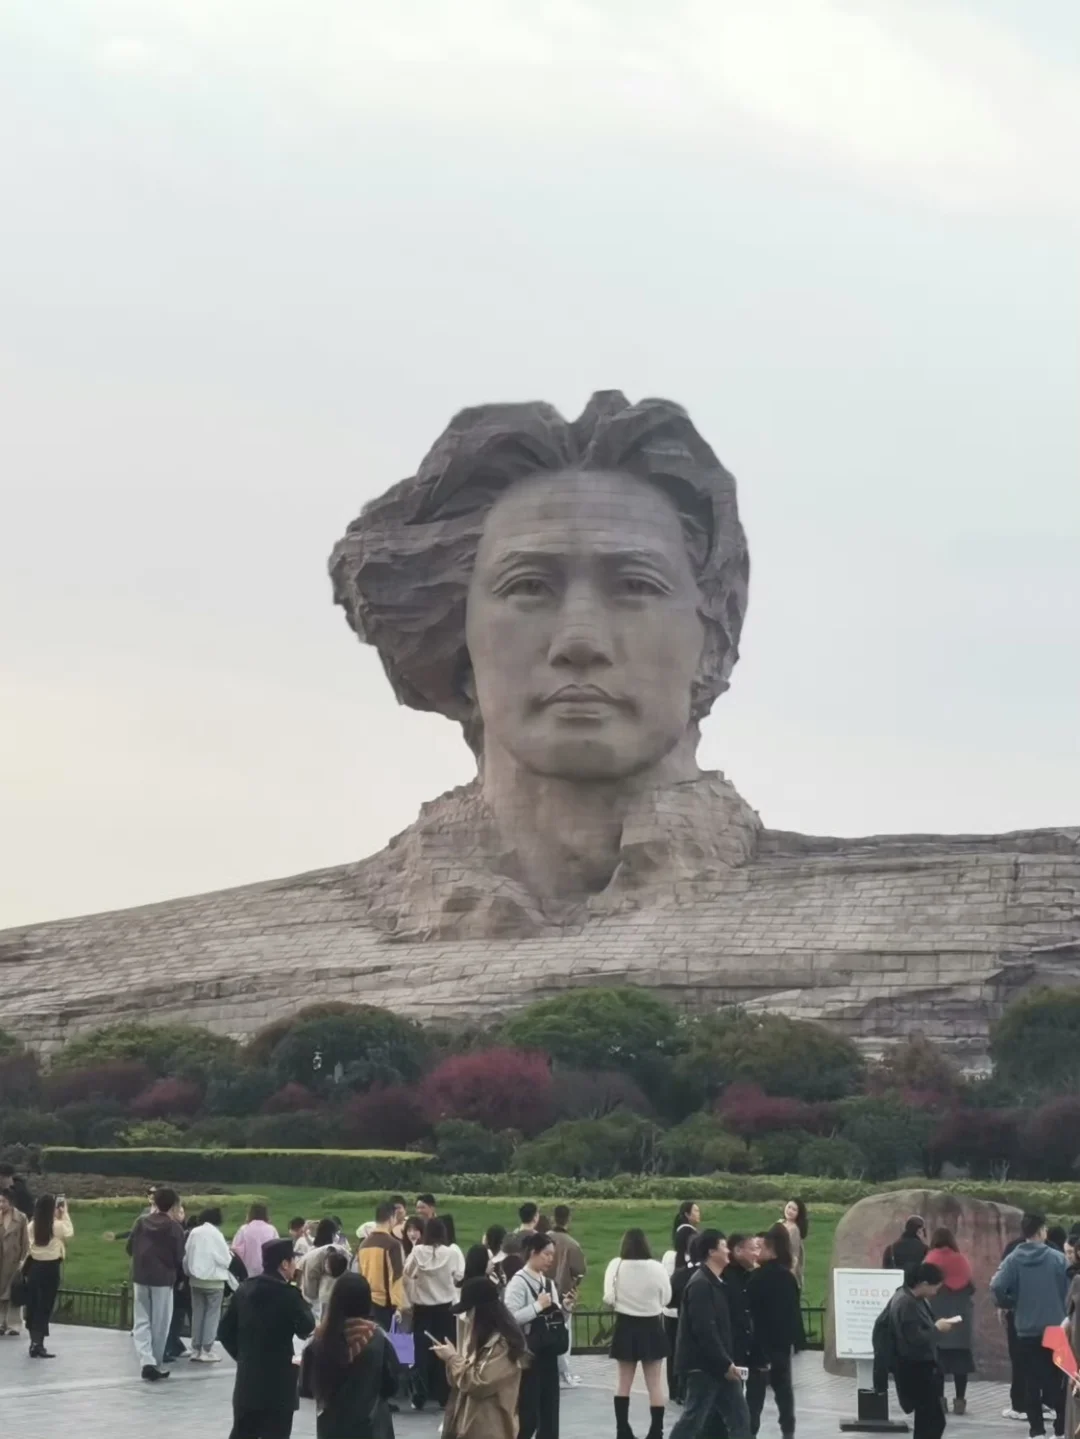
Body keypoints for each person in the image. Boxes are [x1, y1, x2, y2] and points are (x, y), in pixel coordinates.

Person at [219, 1237, 315, 1439]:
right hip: (279, 1384)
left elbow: (224, 1332)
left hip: (248, 1381)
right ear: (284, 1264)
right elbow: (307, 1328)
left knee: (242, 1433)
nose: (295, 1266)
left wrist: (242, 1356)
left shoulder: (244, 1289)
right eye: (293, 1261)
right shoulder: (289, 1294)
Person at [991, 1212, 1068, 1439]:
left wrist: (1009, 1302)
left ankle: (1036, 1431)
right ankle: (1060, 1430)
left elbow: (996, 1286)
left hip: (1025, 1329)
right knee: (1059, 1380)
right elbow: (1071, 1286)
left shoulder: (1013, 1260)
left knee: (1031, 1382)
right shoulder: (1057, 1258)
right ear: (1042, 1230)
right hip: (1056, 1328)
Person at [669, 1229, 752, 1439]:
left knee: (740, 1419)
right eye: (723, 1246)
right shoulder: (700, 1285)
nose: (728, 1251)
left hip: (719, 1366)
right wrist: (725, 1363)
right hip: (703, 1367)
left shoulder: (715, 1282)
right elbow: (704, 1329)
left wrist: (726, 1362)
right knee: (693, 1420)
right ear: (711, 1252)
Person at [434, 1275, 529, 1439]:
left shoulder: (503, 1345)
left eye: (469, 1311)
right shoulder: (479, 1339)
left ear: (481, 1311)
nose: (467, 1317)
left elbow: (478, 1383)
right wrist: (450, 1359)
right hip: (469, 1426)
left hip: (490, 1429)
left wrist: (452, 1358)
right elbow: (460, 1382)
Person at [308, 1272, 400, 1438]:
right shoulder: (377, 1337)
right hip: (371, 1427)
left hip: (331, 1427)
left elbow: (306, 1387)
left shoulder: (320, 1338)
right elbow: (392, 1385)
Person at [878, 1261, 957, 1439]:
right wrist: (937, 1329)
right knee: (932, 1420)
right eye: (935, 1287)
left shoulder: (913, 1298)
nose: (936, 1292)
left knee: (929, 1420)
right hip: (916, 1370)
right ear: (924, 1284)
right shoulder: (906, 1303)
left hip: (922, 1368)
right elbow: (914, 1338)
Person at [605, 1227, 672, 1439]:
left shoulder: (616, 1265)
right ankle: (656, 1431)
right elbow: (667, 1297)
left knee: (623, 1382)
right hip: (651, 1325)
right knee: (655, 1384)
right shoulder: (656, 1267)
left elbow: (608, 1296)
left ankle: (622, 1430)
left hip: (625, 1325)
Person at [505, 1231, 565, 1439]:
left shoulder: (548, 1283)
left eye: (552, 1255)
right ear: (533, 1252)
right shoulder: (518, 1282)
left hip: (549, 1351)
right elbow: (510, 1318)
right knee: (528, 1413)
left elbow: (555, 1317)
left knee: (550, 1412)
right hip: (529, 1354)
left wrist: (565, 1308)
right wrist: (537, 1306)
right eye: (546, 1254)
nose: (550, 1259)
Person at [746, 1223, 802, 1439]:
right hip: (782, 1344)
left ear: (771, 1250)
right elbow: (794, 1313)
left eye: (761, 1248)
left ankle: (750, 1431)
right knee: (784, 1391)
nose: (757, 1252)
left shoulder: (756, 1278)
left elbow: (749, 1311)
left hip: (760, 1344)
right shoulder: (788, 1278)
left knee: (755, 1395)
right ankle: (788, 1431)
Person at [403, 1216, 465, 1410]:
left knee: (420, 1351)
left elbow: (408, 1272)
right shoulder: (451, 1253)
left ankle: (419, 1394)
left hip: (422, 1308)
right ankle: (444, 1395)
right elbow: (459, 1276)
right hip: (445, 1308)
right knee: (444, 1350)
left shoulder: (417, 1251)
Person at [126, 1184, 185, 1380]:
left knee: (141, 1320)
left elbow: (129, 1247)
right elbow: (179, 1256)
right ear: (173, 1205)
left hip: (141, 1276)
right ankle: (155, 1363)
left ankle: (146, 1360)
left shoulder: (141, 1222)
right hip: (163, 1279)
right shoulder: (175, 1228)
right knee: (160, 1323)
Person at [925, 1226, 976, 1415]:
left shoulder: (931, 1259)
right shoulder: (961, 1260)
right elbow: (971, 1287)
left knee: (938, 1363)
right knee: (960, 1363)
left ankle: (940, 1401)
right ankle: (960, 1401)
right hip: (960, 1318)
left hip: (938, 1316)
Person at [25, 1193, 74, 1359]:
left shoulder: (32, 1225)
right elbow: (69, 1232)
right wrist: (64, 1213)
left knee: (34, 1305)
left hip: (34, 1267)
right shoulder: (56, 1226)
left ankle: (34, 1342)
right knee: (45, 1306)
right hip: (51, 1268)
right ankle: (39, 1344)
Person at [185, 1205, 236, 1362]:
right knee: (212, 1315)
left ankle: (195, 1348)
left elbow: (187, 1255)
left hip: (195, 1280)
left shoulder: (194, 1232)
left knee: (197, 1314)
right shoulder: (216, 1234)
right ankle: (207, 1349)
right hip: (214, 1281)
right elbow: (226, 1259)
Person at [662, 1219, 699, 1406]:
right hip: (684, 1315)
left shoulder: (670, 1258)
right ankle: (684, 1390)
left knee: (672, 1353)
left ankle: (674, 1389)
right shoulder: (692, 1265)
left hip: (670, 1313)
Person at [551, 1205, 586, 1388]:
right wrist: (573, 1288)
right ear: (568, 1219)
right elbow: (580, 1271)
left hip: (541, 1294)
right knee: (564, 1334)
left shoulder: (544, 1240)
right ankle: (564, 1374)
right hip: (564, 1295)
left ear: (553, 1218)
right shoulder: (572, 1244)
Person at [357, 1201, 405, 1330]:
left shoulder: (363, 1245)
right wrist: (398, 1306)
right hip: (384, 1305)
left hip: (367, 1302)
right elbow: (396, 1277)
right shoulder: (393, 1245)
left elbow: (360, 1274)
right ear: (391, 1218)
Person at [302, 1218, 350, 1321]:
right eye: (335, 1233)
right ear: (332, 1234)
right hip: (326, 1295)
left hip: (316, 1297)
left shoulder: (313, 1251)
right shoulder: (339, 1250)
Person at [0, 1186, 31, 1335]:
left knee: (12, 1293)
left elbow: (25, 1242)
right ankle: (1, 1323)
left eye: (3, 1201)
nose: (1, 1204)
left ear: (11, 1202)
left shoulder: (21, 1218)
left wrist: (23, 1260)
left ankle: (14, 1325)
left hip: (14, 1261)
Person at [232, 1203, 279, 1277]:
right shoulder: (272, 1229)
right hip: (268, 1272)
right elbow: (278, 1250)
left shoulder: (244, 1229)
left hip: (248, 1271)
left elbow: (235, 1250)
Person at [781, 1200, 807, 1289]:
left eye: (794, 1210)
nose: (790, 1211)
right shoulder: (780, 1223)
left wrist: (789, 1276)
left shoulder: (794, 1230)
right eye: (789, 1207)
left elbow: (794, 1256)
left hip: (785, 1268)